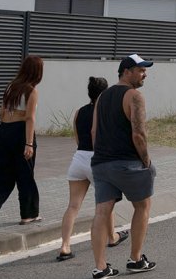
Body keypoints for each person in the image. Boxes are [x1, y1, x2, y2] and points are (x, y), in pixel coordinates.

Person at [90, 54, 158, 279]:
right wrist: (146, 160)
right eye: (140, 70)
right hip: (128, 163)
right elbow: (138, 134)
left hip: (101, 164)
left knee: (102, 212)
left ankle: (100, 267)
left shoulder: (102, 97)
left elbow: (93, 132)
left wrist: (101, 156)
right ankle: (136, 259)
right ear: (126, 71)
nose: (144, 74)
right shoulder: (134, 96)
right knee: (143, 206)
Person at [55, 76, 128, 261]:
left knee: (73, 206)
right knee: (106, 203)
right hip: (97, 160)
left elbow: (78, 138)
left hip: (79, 158)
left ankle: (64, 247)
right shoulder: (107, 111)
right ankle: (112, 237)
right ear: (105, 92)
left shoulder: (79, 112)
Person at [0, 55, 43, 227]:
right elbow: (30, 118)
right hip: (20, 133)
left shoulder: (11, 87)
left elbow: (1, 113)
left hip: (3, 132)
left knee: (4, 175)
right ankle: (28, 215)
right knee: (25, 176)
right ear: (37, 72)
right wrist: (28, 144)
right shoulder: (31, 91)